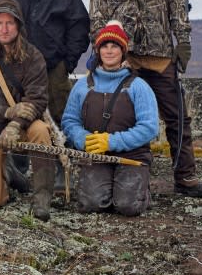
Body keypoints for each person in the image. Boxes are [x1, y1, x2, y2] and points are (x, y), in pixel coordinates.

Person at [89, 0, 202, 197]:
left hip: (160, 59)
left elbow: (178, 9)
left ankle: (186, 177)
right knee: (123, 121)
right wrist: (103, 52)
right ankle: (132, 176)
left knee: (177, 118)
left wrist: (183, 44)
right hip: (125, 61)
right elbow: (96, 22)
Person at [0, 0, 90, 178]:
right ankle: (18, 168)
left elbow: (79, 23)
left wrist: (68, 60)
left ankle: (61, 169)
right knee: (16, 111)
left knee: (60, 115)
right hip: (14, 65)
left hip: (53, 65)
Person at [0, 0, 62, 220]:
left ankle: (42, 200)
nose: (4, 29)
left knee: (40, 131)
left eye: (9, 23)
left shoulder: (33, 56)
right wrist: (6, 113)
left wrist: (16, 124)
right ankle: (12, 174)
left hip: (22, 126)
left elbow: (37, 99)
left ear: (18, 26)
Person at [61, 21, 159, 215]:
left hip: (132, 156)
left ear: (123, 51)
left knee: (127, 206)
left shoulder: (139, 86)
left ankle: (140, 191)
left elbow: (149, 128)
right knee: (91, 204)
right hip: (96, 157)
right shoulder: (82, 86)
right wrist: (83, 139)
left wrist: (111, 141)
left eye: (114, 46)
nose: (109, 51)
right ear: (98, 51)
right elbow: (69, 121)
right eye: (104, 46)